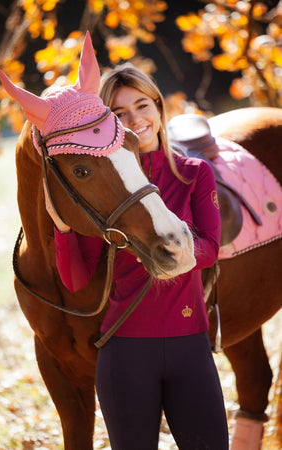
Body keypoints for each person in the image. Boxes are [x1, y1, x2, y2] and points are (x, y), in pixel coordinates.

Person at [46, 63, 229, 449]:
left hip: (190, 343)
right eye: (118, 113)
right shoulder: (105, 186)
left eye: (143, 105)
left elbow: (210, 247)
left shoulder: (193, 173)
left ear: (160, 110)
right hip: (125, 350)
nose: (135, 120)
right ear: (108, 124)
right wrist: (62, 231)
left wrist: (172, 248)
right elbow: (78, 279)